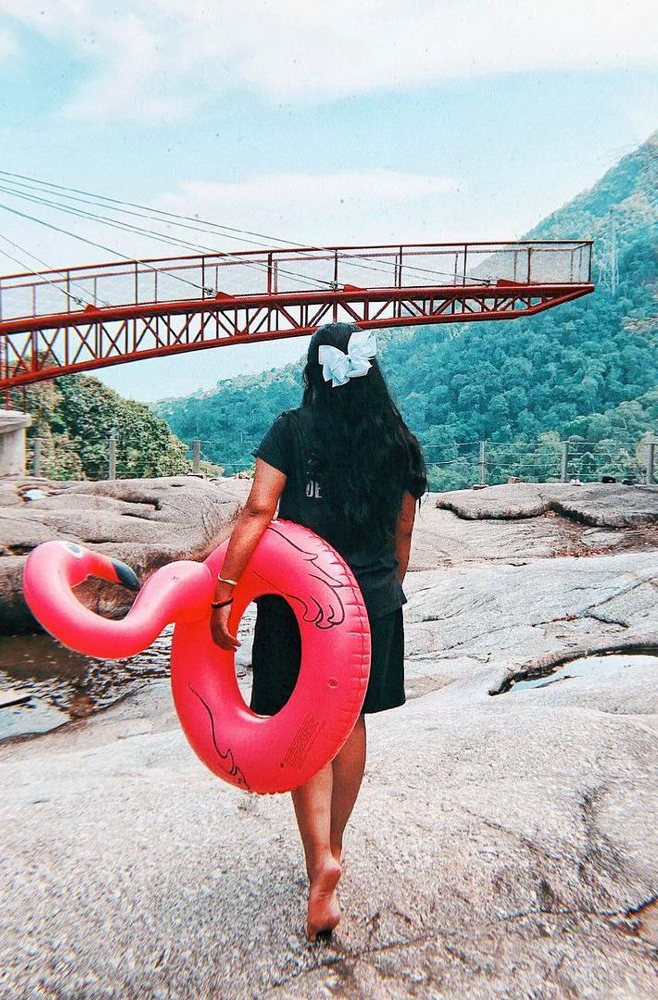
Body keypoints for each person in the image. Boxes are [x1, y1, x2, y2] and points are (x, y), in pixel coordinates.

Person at [208, 321, 427, 941]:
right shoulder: (401, 442)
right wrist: (385, 593)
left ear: (315, 374)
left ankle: (318, 868)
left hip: (301, 605)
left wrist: (226, 593)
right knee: (348, 721)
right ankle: (336, 843)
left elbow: (258, 509)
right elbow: (402, 535)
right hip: (371, 601)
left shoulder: (291, 430)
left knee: (310, 725)